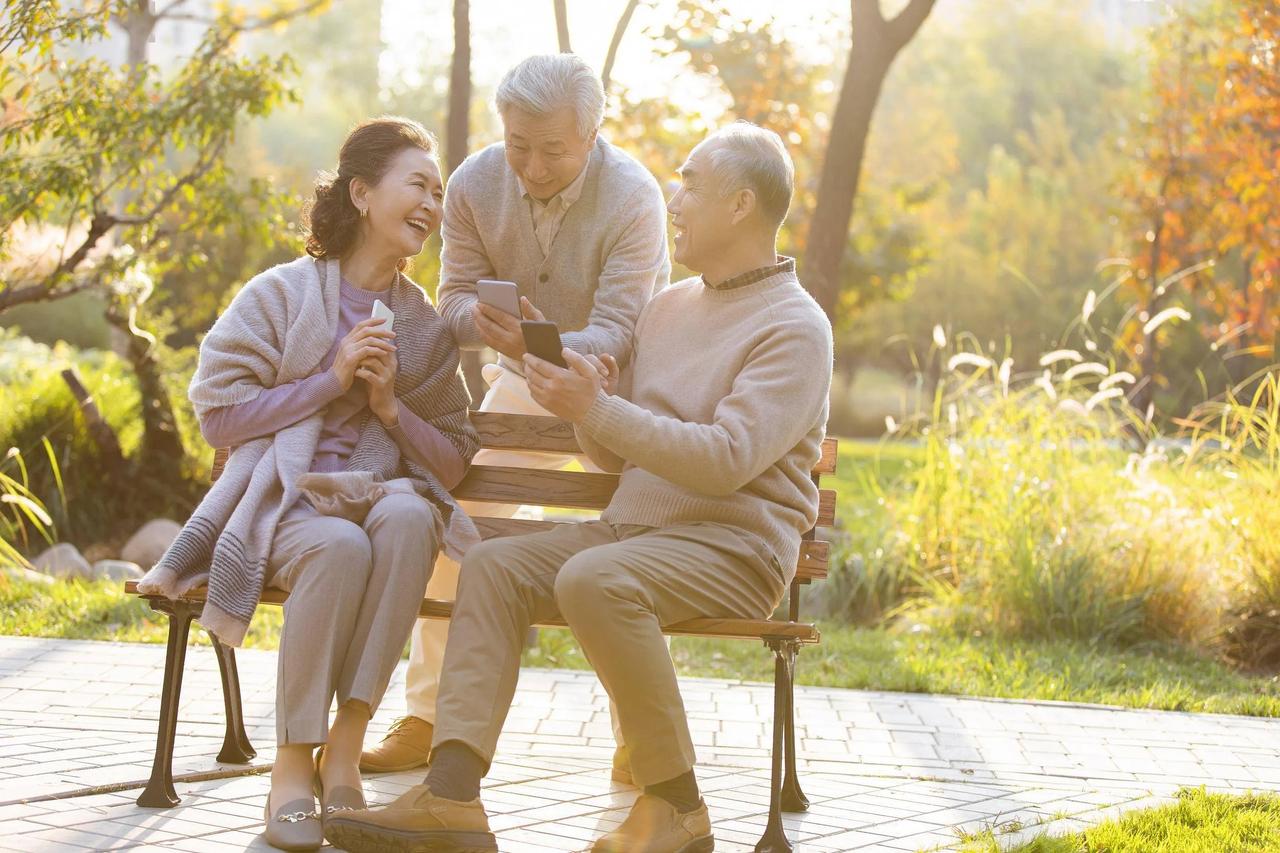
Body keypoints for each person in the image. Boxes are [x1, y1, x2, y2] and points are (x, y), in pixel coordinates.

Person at [327, 122, 833, 853]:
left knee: (597, 579)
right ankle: (451, 798)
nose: (675, 197)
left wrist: (596, 406)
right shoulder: (667, 309)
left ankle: (678, 806)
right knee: (495, 564)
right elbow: (610, 457)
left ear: (741, 204)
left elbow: (727, 459)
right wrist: (579, 396)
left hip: (733, 546)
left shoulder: (794, 326)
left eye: (690, 182)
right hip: (634, 534)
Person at [137, 117, 479, 852]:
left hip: (379, 498)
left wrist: (390, 408)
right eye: (417, 183)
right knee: (336, 544)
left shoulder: (424, 328)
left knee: (415, 518)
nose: (431, 203)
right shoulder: (282, 293)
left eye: (438, 191)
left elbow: (451, 459)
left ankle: (345, 752)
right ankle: (293, 764)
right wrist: (328, 380)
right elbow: (220, 415)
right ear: (361, 192)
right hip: (284, 501)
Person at [359, 53, 670, 783]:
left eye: (552, 149)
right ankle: (428, 716)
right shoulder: (473, 181)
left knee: (622, 556)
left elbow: (621, 331)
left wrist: (540, 344)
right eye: (518, 143)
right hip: (525, 386)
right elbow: (453, 301)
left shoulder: (634, 198)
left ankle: (642, 739)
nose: (530, 164)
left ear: (592, 134)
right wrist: (486, 327)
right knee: (458, 520)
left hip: (619, 392)